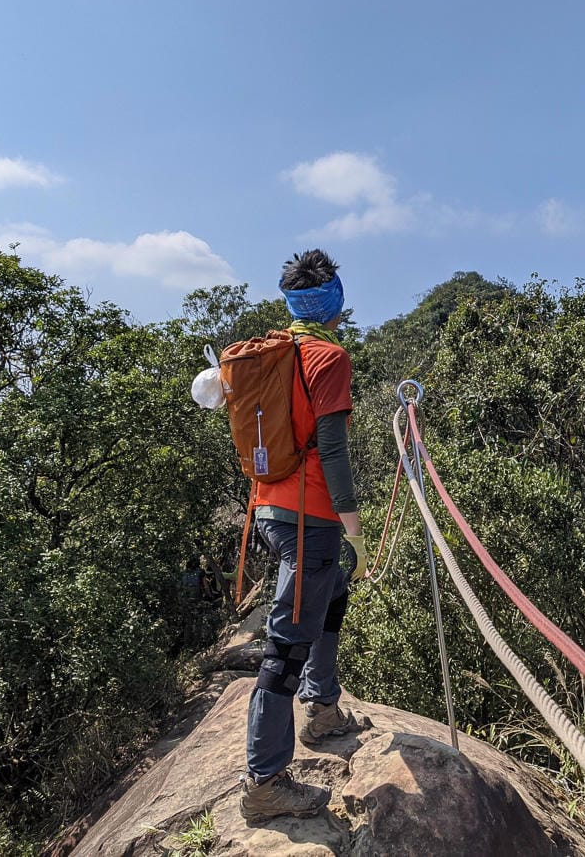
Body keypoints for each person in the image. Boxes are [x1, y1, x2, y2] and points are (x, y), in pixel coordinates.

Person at [240, 249, 369, 823]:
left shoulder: (269, 352)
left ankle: (322, 708)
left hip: (269, 508)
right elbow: (333, 450)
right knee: (285, 646)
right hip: (310, 513)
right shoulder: (328, 357)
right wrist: (353, 527)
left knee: (330, 589)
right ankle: (264, 783)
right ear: (333, 301)